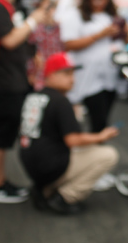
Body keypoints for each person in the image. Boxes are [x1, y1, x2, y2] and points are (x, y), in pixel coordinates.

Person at [0, 0, 54, 203]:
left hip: (16, 79)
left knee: (10, 131)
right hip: (3, 81)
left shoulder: (9, 6)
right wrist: (33, 20)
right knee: (1, 134)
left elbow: (20, 41)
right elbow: (9, 40)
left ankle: (2, 182)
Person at [19, 52, 120, 215]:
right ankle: (64, 197)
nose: (72, 79)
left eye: (72, 73)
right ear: (50, 76)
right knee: (108, 154)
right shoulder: (60, 100)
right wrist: (101, 136)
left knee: (66, 148)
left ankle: (44, 189)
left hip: (31, 163)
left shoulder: (34, 96)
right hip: (51, 166)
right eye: (66, 73)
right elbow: (73, 140)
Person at [58, 0, 128, 133]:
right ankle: (96, 149)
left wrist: (125, 32)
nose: (100, 2)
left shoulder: (110, 16)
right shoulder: (74, 16)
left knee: (102, 118)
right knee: (97, 119)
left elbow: (123, 42)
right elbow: (68, 44)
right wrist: (98, 35)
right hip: (86, 76)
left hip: (109, 76)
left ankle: (97, 148)